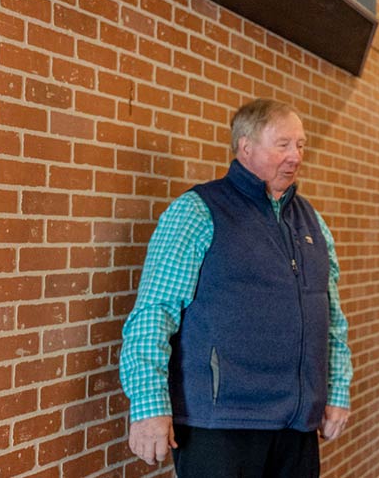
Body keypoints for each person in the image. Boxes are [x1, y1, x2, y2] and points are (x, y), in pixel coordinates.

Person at [120, 98, 353, 477]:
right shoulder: (197, 211)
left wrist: (335, 391)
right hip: (220, 425)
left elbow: (332, 320)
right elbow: (153, 313)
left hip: (295, 426)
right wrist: (149, 406)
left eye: (301, 145)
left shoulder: (313, 223)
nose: (296, 155)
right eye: (283, 145)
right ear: (246, 147)